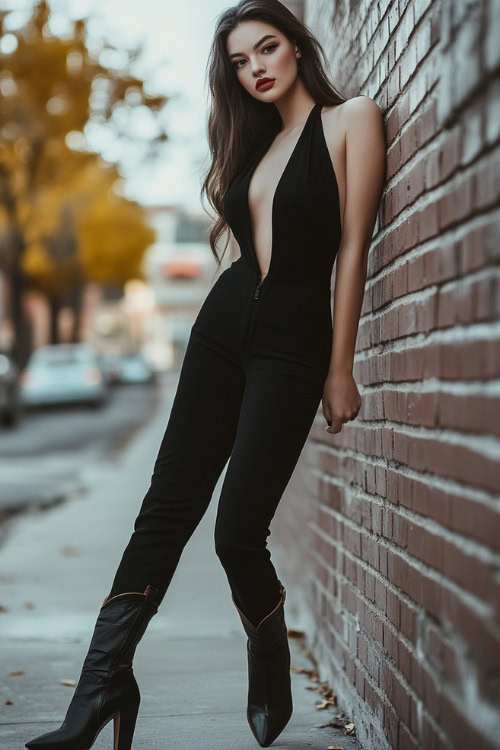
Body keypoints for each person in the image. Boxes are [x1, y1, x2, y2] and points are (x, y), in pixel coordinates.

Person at [25, 0, 385, 748]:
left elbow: (351, 250)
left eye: (267, 48)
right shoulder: (256, 143)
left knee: (235, 532)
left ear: (297, 45)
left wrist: (340, 367)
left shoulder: (351, 119)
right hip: (221, 328)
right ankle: (99, 688)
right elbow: (244, 253)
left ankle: (266, 644)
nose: (256, 68)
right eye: (239, 61)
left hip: (293, 344)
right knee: (163, 511)